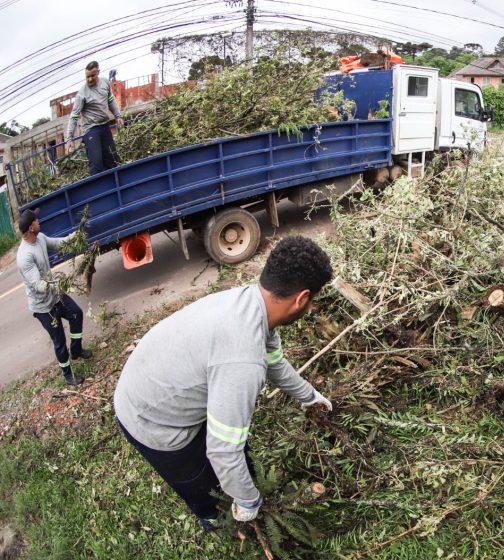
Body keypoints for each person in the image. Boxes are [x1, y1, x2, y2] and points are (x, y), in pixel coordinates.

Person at [114, 235, 334, 531]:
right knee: (202, 484)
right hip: (149, 419)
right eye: (313, 301)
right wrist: (249, 503)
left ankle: (238, 493)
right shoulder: (242, 360)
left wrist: (309, 397)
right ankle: (214, 521)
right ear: (302, 299)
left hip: (156, 382)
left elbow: (274, 362)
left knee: (233, 456)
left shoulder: (250, 303)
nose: (311, 308)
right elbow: (223, 451)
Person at [16, 208, 91, 386]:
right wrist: (63, 283)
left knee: (76, 313)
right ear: (31, 228)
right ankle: (68, 375)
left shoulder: (40, 238)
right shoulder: (24, 257)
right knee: (59, 341)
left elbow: (58, 243)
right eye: (36, 220)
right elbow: (39, 286)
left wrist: (75, 235)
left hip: (55, 294)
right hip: (43, 306)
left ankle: (77, 350)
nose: (39, 221)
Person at [64, 61, 124, 176]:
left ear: (98, 72)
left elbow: (111, 100)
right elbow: (74, 116)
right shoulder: (82, 93)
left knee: (112, 159)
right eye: (87, 77)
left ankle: (115, 189)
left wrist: (118, 116)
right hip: (91, 130)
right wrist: (69, 139)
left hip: (104, 126)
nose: (90, 79)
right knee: (97, 164)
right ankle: (98, 191)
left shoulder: (105, 83)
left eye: (93, 76)